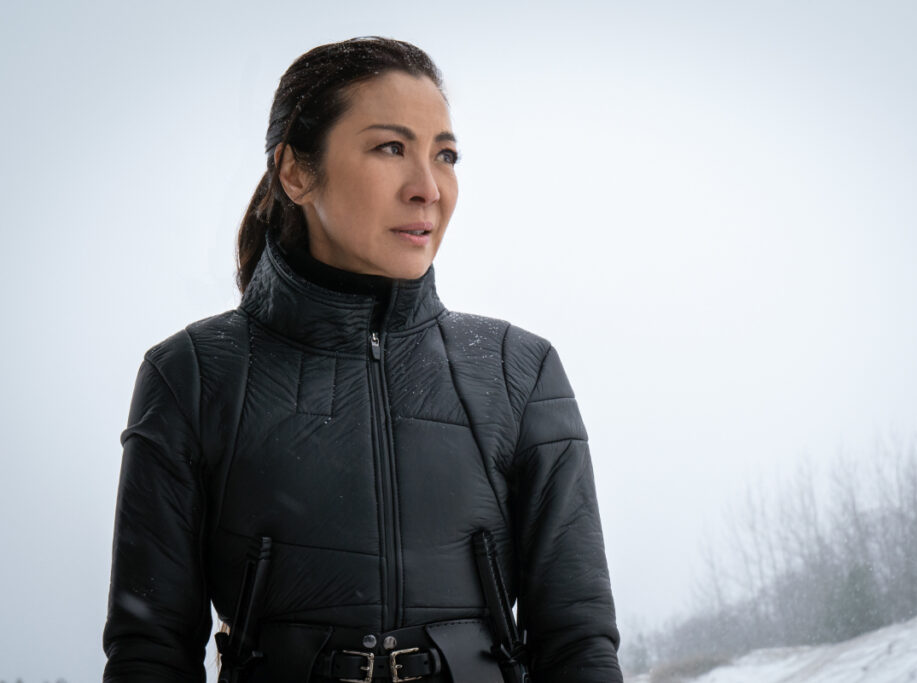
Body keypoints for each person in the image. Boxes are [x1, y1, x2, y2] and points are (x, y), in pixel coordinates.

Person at [102, 37, 622, 683]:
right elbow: (149, 653)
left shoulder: (520, 371)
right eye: (391, 148)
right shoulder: (192, 375)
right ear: (295, 172)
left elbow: (579, 644)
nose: (428, 188)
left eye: (445, 155)